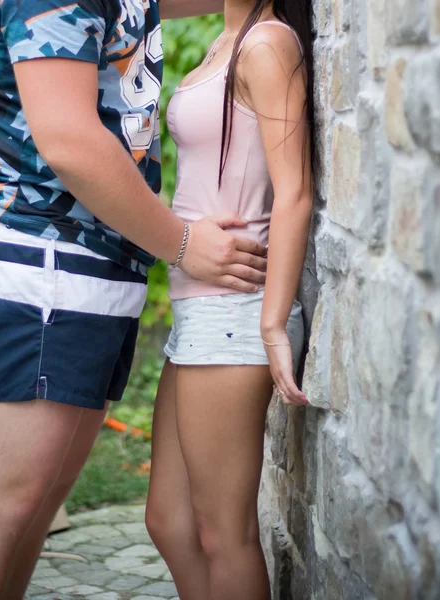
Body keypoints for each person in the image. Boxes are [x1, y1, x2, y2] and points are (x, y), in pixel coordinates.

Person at [0, 1, 270, 598]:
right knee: (3, 506)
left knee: (33, 507)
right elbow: (68, 140)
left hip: (86, 271)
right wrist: (184, 243)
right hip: (43, 262)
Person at [144, 1, 314, 599]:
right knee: (170, 521)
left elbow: (293, 192)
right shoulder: (226, 39)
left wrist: (273, 325)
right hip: (199, 311)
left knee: (223, 534)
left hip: (234, 314)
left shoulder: (267, 44)